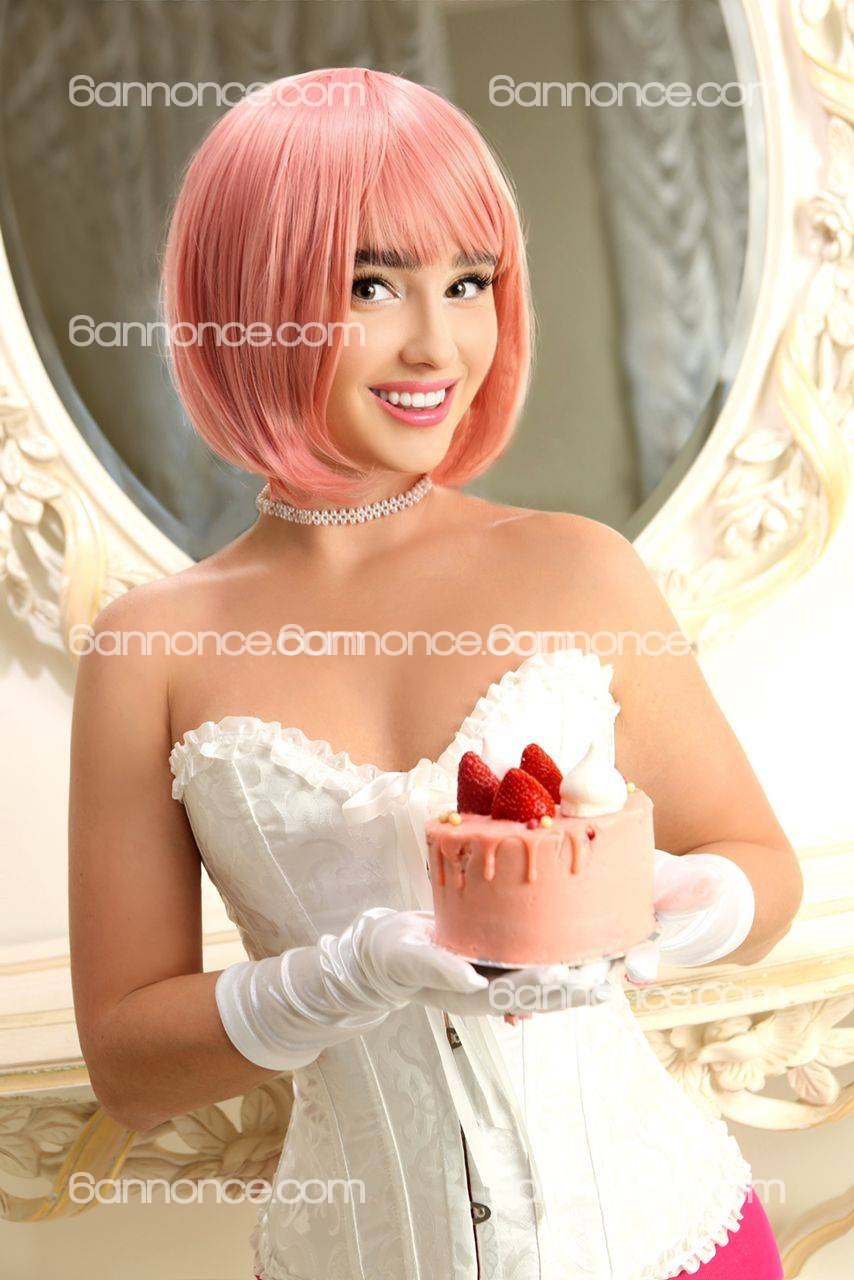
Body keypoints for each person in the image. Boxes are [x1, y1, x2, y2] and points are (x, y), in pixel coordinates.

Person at [68, 68, 801, 1280]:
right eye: (371, 284)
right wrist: (343, 975)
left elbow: (764, 872)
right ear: (246, 304)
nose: (437, 342)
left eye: (468, 282)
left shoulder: (578, 567)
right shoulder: (149, 648)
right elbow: (130, 1068)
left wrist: (678, 896)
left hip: (678, 1242)